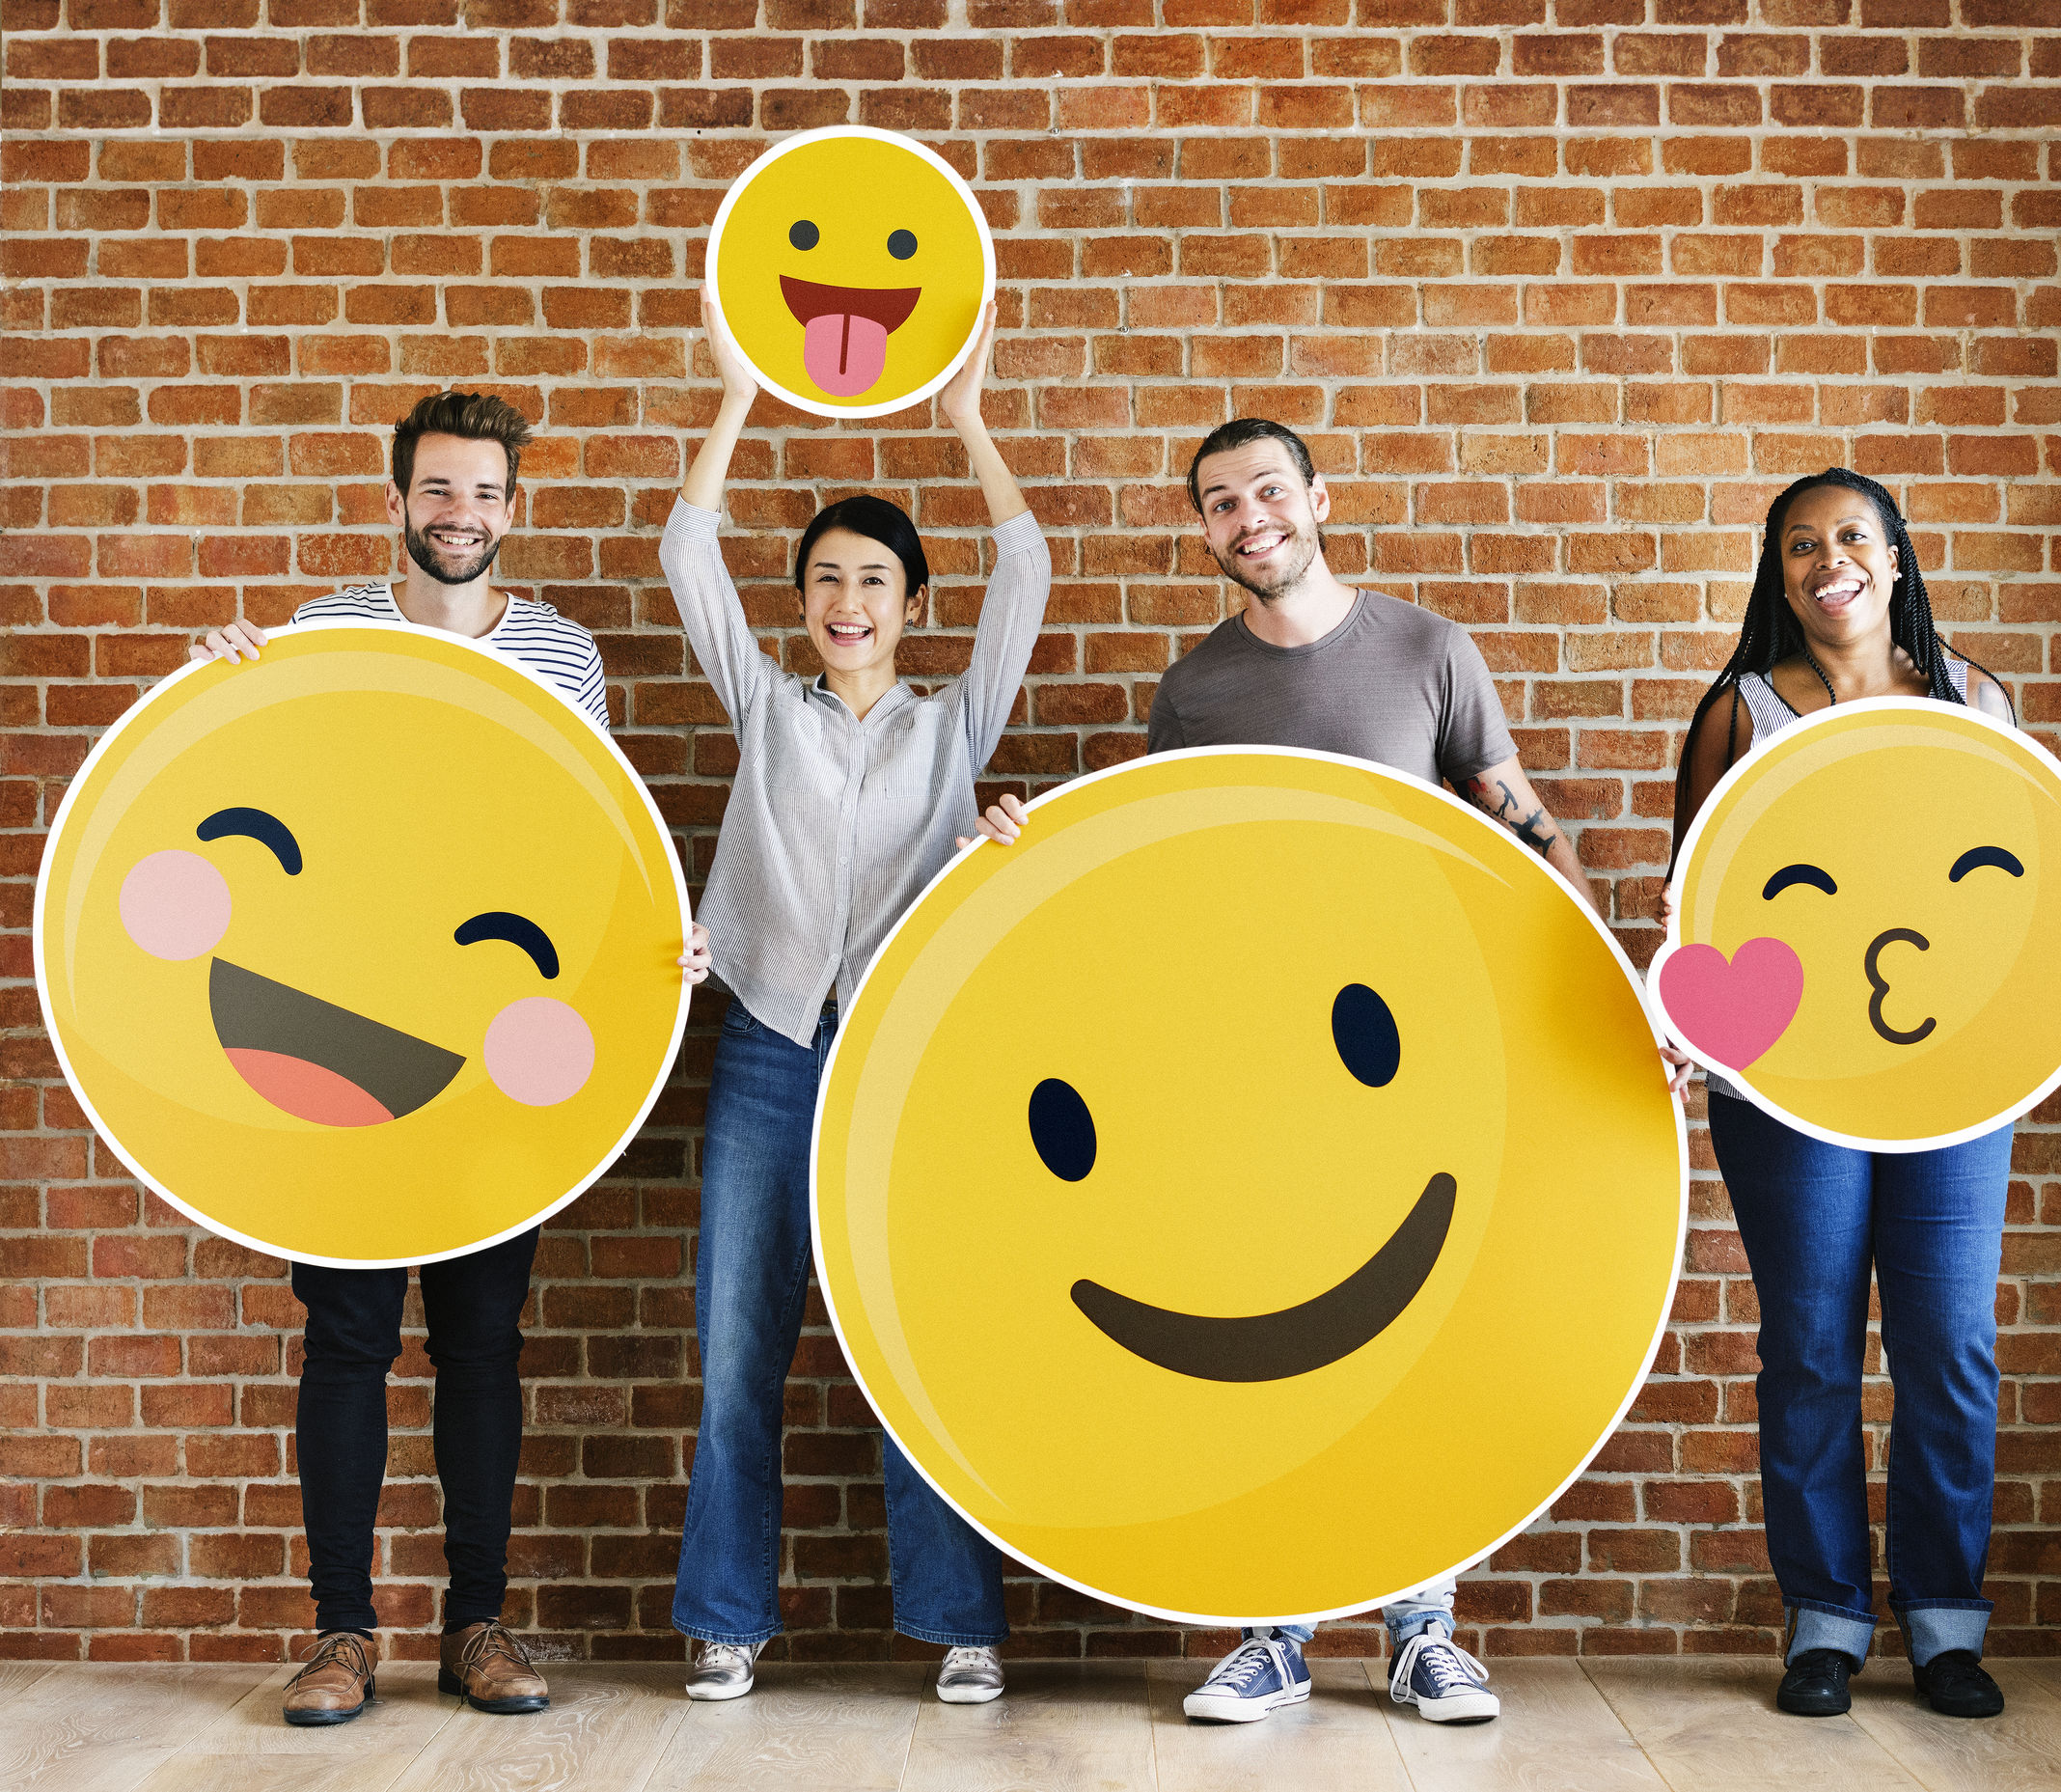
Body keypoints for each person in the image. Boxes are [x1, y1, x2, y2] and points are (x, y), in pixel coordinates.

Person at [975, 417, 1687, 1725]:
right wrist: (1023, 842)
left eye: (1264, 492)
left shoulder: (1426, 649)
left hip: (1421, 1057)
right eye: (1217, 503)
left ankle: (1423, 1628)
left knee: (1417, 1333)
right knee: (1280, 1337)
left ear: (1315, 498)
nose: (1246, 518)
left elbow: (1518, 824)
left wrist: (1611, 990)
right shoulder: (1193, 690)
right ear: (1199, 531)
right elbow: (1158, 874)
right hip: (1256, 1073)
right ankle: (1275, 1627)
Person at [194, 391, 713, 1726]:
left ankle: (475, 1624)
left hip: (490, 1055)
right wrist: (223, 696)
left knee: (483, 1340)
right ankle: (342, 1633)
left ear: (511, 510)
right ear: (396, 501)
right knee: (349, 1337)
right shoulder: (321, 635)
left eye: (484, 493)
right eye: (437, 489)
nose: (460, 514)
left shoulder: (563, 654)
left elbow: (576, 847)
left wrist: (658, 943)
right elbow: (268, 810)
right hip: (340, 1040)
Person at [1668, 468, 2061, 1722]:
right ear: (1779, 572)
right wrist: (1689, 1025)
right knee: (1808, 1352)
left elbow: (2023, 879)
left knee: (1947, 1349)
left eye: (1852, 536)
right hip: (1789, 1086)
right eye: (1802, 544)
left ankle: (1941, 1624)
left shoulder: (1973, 699)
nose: (1831, 560)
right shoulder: (1738, 713)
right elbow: (1696, 903)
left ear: (1893, 554)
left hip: (1952, 1080)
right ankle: (1822, 1619)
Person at [661, 290, 1049, 1705]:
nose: (845, 602)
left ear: (910, 604)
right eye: (825, 579)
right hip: (766, 1043)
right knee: (734, 1350)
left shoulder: (958, 723)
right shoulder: (765, 708)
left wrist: (965, 422)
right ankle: (724, 1620)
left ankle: (957, 1620)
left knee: (912, 1332)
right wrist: (737, 397)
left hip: (900, 1057)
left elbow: (1027, 567)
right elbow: (685, 547)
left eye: (873, 580)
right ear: (803, 602)